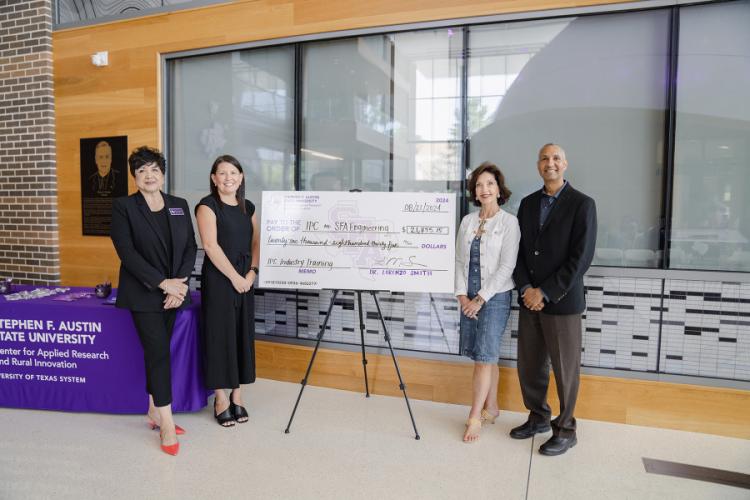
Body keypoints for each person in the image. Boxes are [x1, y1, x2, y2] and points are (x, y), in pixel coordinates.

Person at [511, 143, 597, 456]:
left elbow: (581, 258)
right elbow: (518, 253)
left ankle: (566, 429)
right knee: (530, 366)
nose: (551, 163)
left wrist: (544, 291)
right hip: (528, 300)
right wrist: (525, 289)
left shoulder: (582, 204)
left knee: (565, 371)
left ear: (565, 164)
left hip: (561, 302)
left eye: (556, 158)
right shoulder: (528, 204)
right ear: (538, 165)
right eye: (545, 158)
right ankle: (538, 418)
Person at [110, 146, 197, 456]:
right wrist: (164, 284)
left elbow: (190, 247)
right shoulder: (124, 207)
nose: (149, 175)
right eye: (142, 170)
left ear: (162, 173)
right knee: (159, 353)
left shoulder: (179, 205)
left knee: (157, 352)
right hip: (144, 293)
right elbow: (127, 253)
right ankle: (168, 424)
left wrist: (178, 286)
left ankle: (153, 411)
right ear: (135, 177)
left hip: (174, 293)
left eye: (154, 169)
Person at [455, 161, 520, 443]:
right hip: (468, 296)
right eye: (479, 185)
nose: (484, 189)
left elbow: (507, 267)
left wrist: (480, 298)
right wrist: (461, 295)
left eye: (489, 184)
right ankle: (492, 407)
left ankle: (474, 417)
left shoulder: (509, 222)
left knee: (483, 358)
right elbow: (458, 261)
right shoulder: (468, 221)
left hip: (494, 297)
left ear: (498, 188)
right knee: (486, 355)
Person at [195, 154, 259, 427]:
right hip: (221, 279)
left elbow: (256, 242)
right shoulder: (207, 206)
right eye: (222, 173)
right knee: (220, 335)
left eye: (233, 172)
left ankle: (238, 395)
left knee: (241, 333)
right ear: (213, 178)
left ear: (241, 177)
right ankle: (221, 398)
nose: (228, 178)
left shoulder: (248, 207)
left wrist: (252, 273)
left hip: (245, 278)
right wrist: (235, 278)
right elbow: (210, 246)